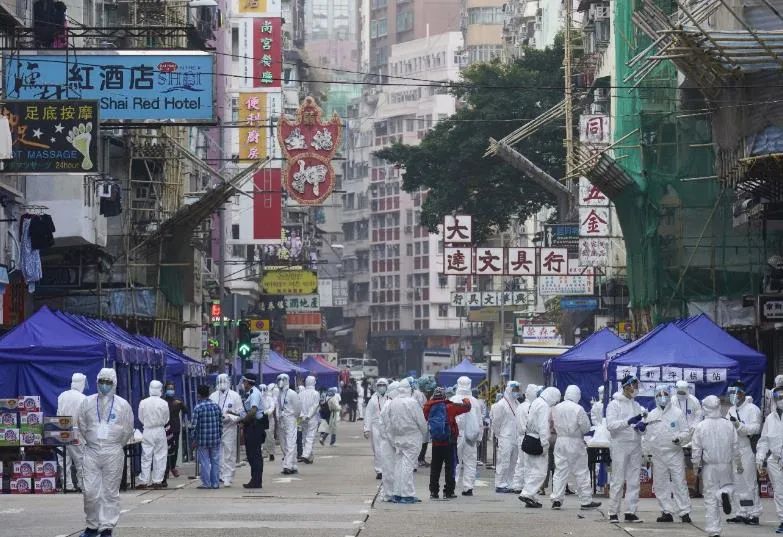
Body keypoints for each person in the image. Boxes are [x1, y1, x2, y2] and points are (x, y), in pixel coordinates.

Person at [77, 368, 134, 537]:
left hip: (113, 451)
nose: (104, 385)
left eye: (108, 382)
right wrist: (92, 440)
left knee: (110, 491)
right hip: (92, 451)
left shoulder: (122, 405)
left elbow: (128, 430)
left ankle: (106, 527)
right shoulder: (87, 403)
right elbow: (82, 425)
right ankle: (92, 525)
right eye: (102, 381)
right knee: (90, 491)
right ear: (96, 382)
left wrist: (115, 444)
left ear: (114, 383)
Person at [692, 395, 742, 537]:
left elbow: (696, 450)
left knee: (710, 499)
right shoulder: (728, 424)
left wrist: (696, 467)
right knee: (729, 486)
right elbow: (735, 447)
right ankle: (724, 493)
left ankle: (714, 531)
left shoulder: (701, 426)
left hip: (709, 467)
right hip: (725, 465)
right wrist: (738, 464)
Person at [642, 384, 692, 523]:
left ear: (670, 396)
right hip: (658, 455)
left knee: (679, 482)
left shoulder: (677, 413)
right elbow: (647, 436)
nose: (662, 397)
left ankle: (684, 512)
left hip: (674, 453)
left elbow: (686, 432)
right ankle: (666, 511)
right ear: (655, 397)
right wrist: (646, 452)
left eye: (665, 394)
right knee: (660, 484)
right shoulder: (652, 415)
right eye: (659, 395)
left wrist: (680, 438)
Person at [550, 385, 601, 510]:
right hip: (575, 441)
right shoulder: (578, 409)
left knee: (560, 471)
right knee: (581, 471)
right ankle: (586, 500)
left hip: (560, 440)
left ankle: (557, 499)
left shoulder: (556, 408)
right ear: (577, 395)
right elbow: (586, 428)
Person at [606, 374, 646, 523]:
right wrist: (628, 422)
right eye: (634, 386)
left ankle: (630, 511)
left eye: (636, 386)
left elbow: (641, 427)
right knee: (618, 479)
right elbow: (611, 426)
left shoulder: (636, 405)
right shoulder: (614, 404)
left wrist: (642, 428)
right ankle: (613, 512)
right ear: (626, 386)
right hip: (620, 445)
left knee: (634, 480)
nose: (635, 389)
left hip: (635, 444)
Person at [424, 386, 471, 500]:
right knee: (450, 468)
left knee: (435, 468)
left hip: (436, 443)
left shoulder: (428, 407)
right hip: (449, 442)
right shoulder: (449, 406)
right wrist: (466, 398)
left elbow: (426, 419)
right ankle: (448, 491)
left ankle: (433, 492)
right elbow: (467, 407)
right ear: (444, 396)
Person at [386, 377, 428, 503]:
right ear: (409, 389)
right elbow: (421, 421)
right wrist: (425, 432)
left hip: (398, 437)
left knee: (399, 465)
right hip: (412, 437)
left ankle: (397, 493)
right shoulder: (412, 402)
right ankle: (407, 494)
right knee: (408, 466)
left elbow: (389, 420)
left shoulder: (393, 402)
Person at [726, 380, 762, 524]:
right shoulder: (731, 410)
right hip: (733, 450)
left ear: (742, 393)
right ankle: (741, 512)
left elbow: (755, 429)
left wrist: (739, 425)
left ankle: (753, 513)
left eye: (735, 393)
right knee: (737, 483)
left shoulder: (753, 409)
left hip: (745, 448)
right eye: (731, 393)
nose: (733, 396)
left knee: (749, 483)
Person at [519, 386, 561, 508]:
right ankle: (527, 493)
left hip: (529, 438)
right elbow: (543, 426)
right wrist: (545, 444)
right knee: (541, 471)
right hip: (538, 439)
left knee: (530, 469)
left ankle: (532, 497)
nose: (555, 403)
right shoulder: (544, 406)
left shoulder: (536, 402)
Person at [757, 386, 783, 534]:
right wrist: (760, 458)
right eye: (778, 397)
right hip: (775, 460)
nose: (781, 400)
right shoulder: (770, 419)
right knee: (779, 492)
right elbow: (764, 440)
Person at [209, 374, 244, 487]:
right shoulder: (213, 396)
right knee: (217, 452)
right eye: (220, 381)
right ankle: (219, 474)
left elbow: (240, 413)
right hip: (216, 427)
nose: (222, 383)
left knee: (229, 452)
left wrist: (229, 418)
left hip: (230, 427)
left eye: (224, 381)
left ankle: (228, 476)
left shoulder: (235, 396)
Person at [451, 376, 483, 496]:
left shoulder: (453, 399)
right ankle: (468, 487)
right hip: (471, 435)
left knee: (455, 461)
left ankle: (452, 484)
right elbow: (480, 421)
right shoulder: (474, 401)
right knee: (470, 461)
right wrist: (479, 437)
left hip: (456, 435)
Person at [137, 380, 170, 490]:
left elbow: (140, 417)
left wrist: (147, 424)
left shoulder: (143, 402)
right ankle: (157, 480)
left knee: (146, 456)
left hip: (147, 430)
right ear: (161, 390)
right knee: (160, 456)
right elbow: (166, 419)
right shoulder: (164, 403)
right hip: (160, 430)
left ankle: (144, 480)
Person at [57, 372, 87, 492]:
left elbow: (59, 414)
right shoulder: (83, 398)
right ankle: (82, 484)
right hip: (77, 432)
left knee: (64, 460)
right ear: (81, 384)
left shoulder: (62, 396)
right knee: (80, 460)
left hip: (62, 430)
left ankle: (67, 484)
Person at [490, 381, 521, 493]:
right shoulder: (501, 404)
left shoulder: (517, 403)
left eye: (518, 390)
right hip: (505, 437)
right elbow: (496, 423)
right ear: (509, 390)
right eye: (514, 390)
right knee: (504, 461)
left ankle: (510, 483)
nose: (516, 392)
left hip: (515, 437)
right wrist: (500, 435)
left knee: (513, 461)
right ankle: (500, 483)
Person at [190, 384, 222, 490]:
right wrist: (219, 435)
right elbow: (220, 423)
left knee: (204, 462)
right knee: (215, 461)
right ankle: (215, 483)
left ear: (199, 395)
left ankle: (206, 483)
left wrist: (193, 439)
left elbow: (193, 426)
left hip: (202, 440)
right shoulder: (216, 406)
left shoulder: (198, 408)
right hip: (215, 439)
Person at [240, 373, 267, 488]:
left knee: (254, 454)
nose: (243, 384)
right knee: (251, 454)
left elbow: (253, 411)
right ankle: (255, 479)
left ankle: (256, 481)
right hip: (252, 425)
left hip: (255, 426)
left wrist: (243, 421)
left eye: (244, 381)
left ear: (247, 382)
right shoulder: (250, 393)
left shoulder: (255, 393)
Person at [511, 384, 540, 494]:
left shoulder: (520, 406)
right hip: (529, 436)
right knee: (529, 463)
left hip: (520, 436)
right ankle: (527, 486)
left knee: (520, 461)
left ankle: (517, 484)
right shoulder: (531, 407)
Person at [162, 380, 189, 483]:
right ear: (165, 390)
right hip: (165, 428)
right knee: (165, 449)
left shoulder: (177, 402)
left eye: (172, 388)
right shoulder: (162, 402)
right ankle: (166, 469)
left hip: (175, 428)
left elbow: (186, 411)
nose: (171, 390)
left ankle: (172, 467)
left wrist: (181, 404)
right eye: (169, 388)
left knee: (175, 448)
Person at [378, 381, 400, 501]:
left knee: (389, 469)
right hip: (388, 442)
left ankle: (389, 493)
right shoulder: (389, 405)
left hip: (387, 441)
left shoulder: (389, 403)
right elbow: (388, 428)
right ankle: (389, 494)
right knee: (389, 469)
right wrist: (394, 443)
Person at [276, 373, 302, 474]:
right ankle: (292, 464)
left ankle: (287, 465)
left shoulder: (292, 393)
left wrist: (294, 418)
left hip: (290, 419)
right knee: (284, 443)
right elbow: (278, 406)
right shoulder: (279, 393)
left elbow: (297, 408)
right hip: (282, 420)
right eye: (279, 379)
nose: (280, 381)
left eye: (282, 379)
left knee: (291, 442)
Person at [364, 378, 389, 479]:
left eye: (383, 385)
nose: (381, 387)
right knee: (377, 449)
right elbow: (368, 415)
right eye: (379, 385)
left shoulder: (390, 398)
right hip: (376, 426)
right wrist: (366, 429)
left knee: (388, 449)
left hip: (388, 426)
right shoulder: (373, 400)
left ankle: (388, 469)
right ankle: (379, 470)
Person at [299, 375, 321, 464]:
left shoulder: (300, 393)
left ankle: (310, 457)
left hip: (302, 418)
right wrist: (309, 415)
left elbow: (298, 406)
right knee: (310, 437)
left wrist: (301, 416)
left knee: (304, 437)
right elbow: (315, 406)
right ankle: (306, 454)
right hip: (311, 418)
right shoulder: (316, 393)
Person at [263, 382, 278, 461]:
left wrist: (266, 413)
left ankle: (271, 453)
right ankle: (263, 452)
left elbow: (272, 408)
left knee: (270, 437)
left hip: (269, 420)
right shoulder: (258, 398)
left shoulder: (270, 398)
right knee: (261, 437)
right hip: (260, 420)